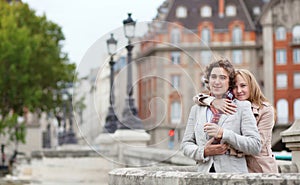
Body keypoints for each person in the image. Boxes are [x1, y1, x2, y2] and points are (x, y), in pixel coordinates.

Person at [181, 59, 261, 173]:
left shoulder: (242, 107)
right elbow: (185, 145)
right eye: (213, 77)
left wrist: (224, 133)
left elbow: (255, 145)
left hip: (233, 178)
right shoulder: (196, 110)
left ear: (230, 82)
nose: (217, 82)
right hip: (204, 177)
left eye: (223, 77)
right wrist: (203, 151)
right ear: (208, 81)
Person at [194, 69, 278, 173]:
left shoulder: (265, 110)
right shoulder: (230, 106)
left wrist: (222, 148)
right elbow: (198, 96)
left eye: (243, 86)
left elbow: (257, 145)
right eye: (234, 87)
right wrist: (213, 101)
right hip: (238, 168)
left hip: (259, 168)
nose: (239, 91)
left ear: (252, 86)